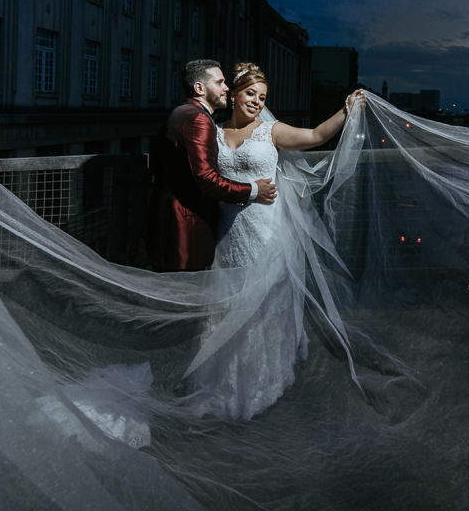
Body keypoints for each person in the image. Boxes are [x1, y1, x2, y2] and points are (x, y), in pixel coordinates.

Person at [187, 62, 364, 418]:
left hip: (265, 231)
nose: (255, 101)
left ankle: (260, 384)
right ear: (234, 94)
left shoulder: (271, 131)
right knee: (226, 306)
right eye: (250, 93)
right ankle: (220, 383)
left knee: (262, 305)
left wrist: (345, 111)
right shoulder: (214, 132)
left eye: (262, 97)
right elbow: (204, 176)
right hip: (228, 231)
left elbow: (315, 136)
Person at [141, 60, 278, 272]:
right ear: (199, 88)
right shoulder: (199, 120)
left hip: (167, 225)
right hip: (185, 230)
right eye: (220, 82)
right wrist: (253, 190)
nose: (226, 88)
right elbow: (206, 179)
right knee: (186, 297)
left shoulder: (180, 112)